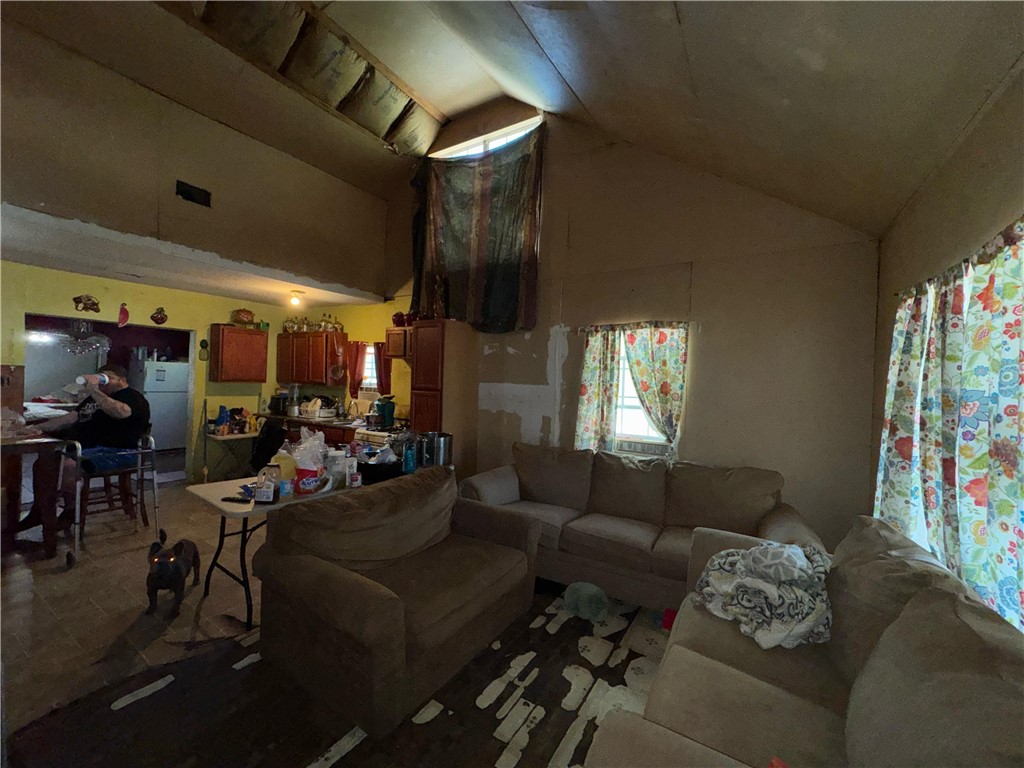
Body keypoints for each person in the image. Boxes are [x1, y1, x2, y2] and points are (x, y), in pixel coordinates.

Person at [22, 363, 151, 530]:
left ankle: (70, 511)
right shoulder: (95, 399)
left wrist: (94, 390)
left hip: (118, 451)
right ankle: (39, 511)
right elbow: (69, 418)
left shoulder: (132, 396)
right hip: (87, 448)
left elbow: (121, 412)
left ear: (122, 380)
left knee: (68, 466)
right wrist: (37, 427)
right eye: (100, 377)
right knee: (43, 464)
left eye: (107, 378)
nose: (102, 382)